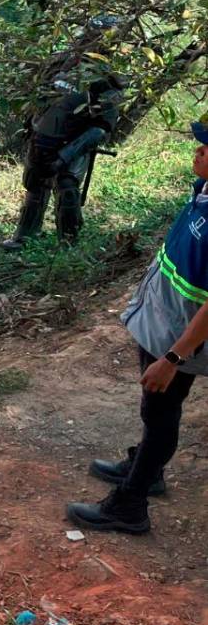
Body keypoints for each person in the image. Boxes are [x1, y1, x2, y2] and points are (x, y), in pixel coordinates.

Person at [67, 118, 208, 535]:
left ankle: (131, 504)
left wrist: (174, 358)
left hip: (179, 337)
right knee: (155, 409)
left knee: (161, 411)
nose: (197, 152)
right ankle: (147, 465)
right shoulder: (203, 190)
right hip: (163, 320)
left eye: (206, 148)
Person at [3, 56, 123, 249]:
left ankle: (68, 242)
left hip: (75, 141)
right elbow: (41, 100)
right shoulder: (62, 62)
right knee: (35, 184)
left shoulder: (105, 75)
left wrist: (64, 155)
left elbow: (101, 127)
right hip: (44, 138)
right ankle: (25, 236)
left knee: (67, 187)